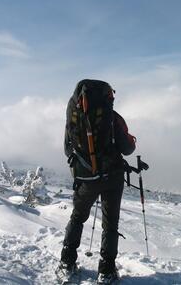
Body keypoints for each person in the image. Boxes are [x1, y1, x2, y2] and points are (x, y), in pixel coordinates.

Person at [56, 79, 136, 284]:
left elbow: (67, 149)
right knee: (110, 224)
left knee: (78, 217)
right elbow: (127, 148)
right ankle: (106, 272)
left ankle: (67, 263)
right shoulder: (113, 118)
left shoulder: (74, 117)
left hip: (85, 178)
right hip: (112, 177)